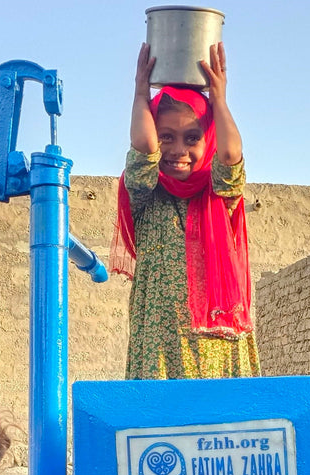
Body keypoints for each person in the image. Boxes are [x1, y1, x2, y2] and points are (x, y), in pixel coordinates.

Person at [110, 41, 260, 379]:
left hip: (217, 344)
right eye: (168, 137)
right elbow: (144, 146)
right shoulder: (145, 194)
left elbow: (231, 155)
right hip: (159, 347)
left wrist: (219, 99)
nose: (178, 149)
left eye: (192, 138)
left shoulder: (220, 193)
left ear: (208, 140)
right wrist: (140, 95)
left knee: (221, 422)